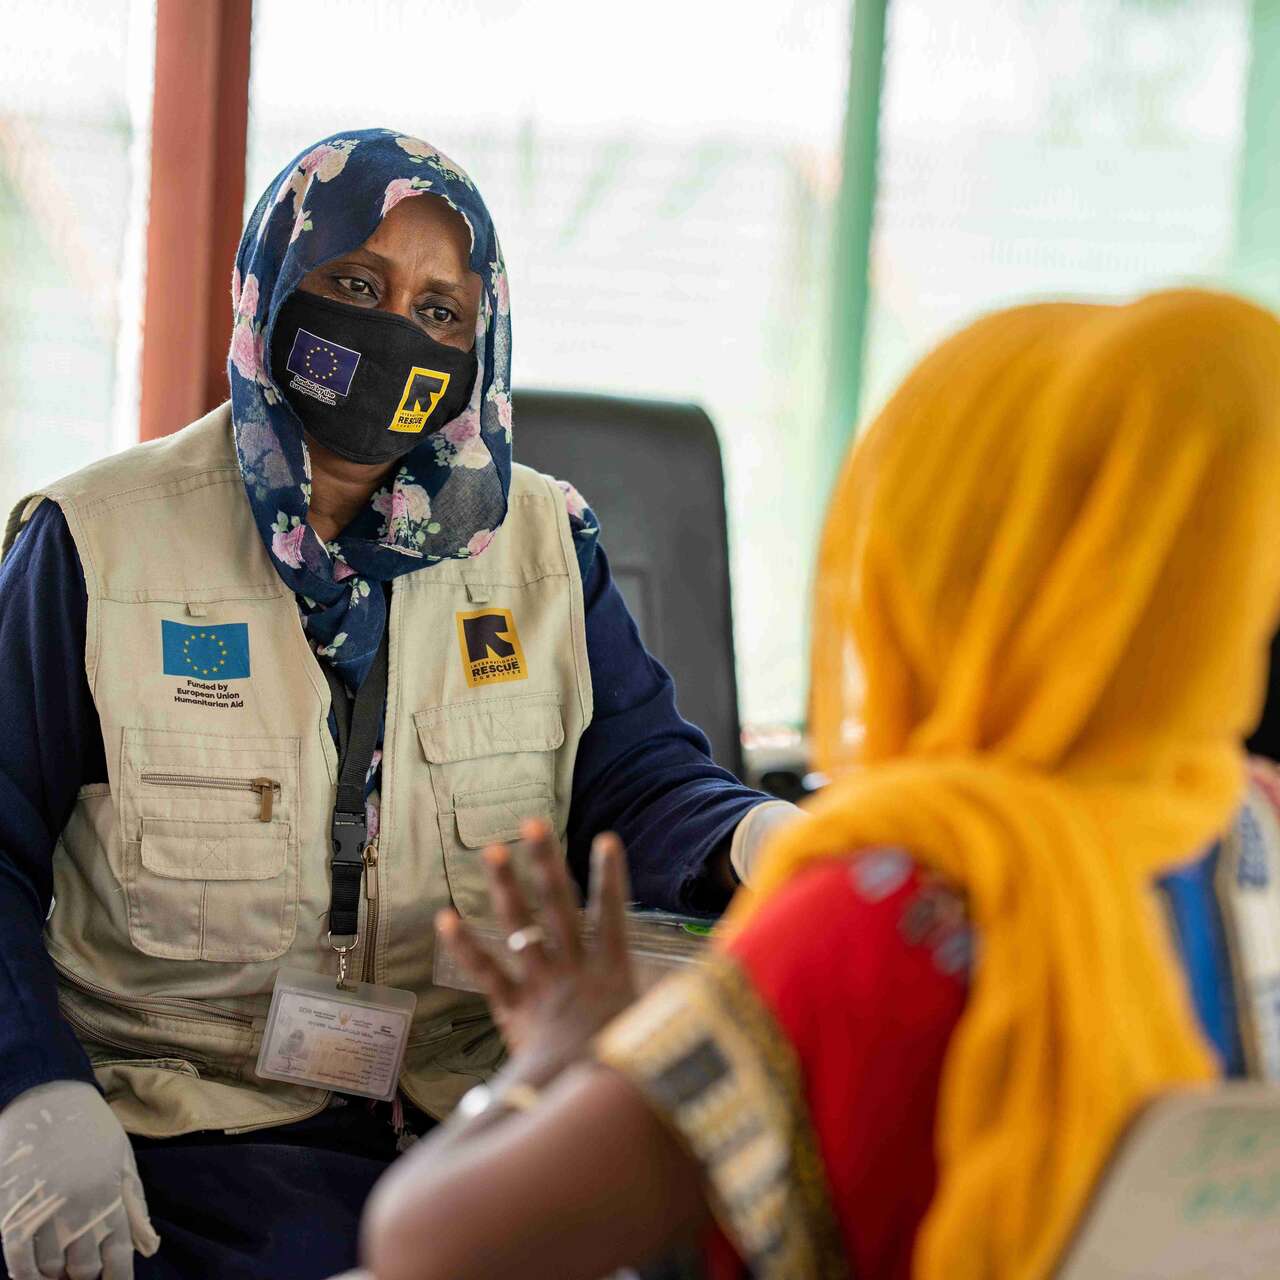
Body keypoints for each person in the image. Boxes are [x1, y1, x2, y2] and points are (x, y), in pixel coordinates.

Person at [0, 129, 794, 1280]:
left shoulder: (542, 547)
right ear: (274, 291)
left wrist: (756, 838)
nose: (396, 331)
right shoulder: (95, 543)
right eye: (357, 286)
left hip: (465, 1118)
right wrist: (29, 1087)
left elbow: (636, 782)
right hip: (180, 1131)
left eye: (440, 312)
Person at [358, 289, 1280, 1280]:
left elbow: (428, 1241)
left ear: (930, 567)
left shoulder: (888, 909)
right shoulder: (1245, 835)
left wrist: (552, 1055)